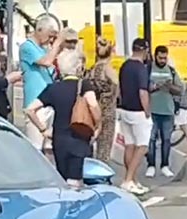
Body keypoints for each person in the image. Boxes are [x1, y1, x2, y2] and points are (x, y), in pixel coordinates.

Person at [24, 49, 99, 187]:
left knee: (63, 179)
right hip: (79, 137)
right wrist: (97, 126)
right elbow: (93, 106)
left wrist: (43, 130)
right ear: (78, 67)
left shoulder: (53, 88)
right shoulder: (84, 86)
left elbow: (30, 110)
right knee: (76, 180)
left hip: (59, 140)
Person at [19, 15, 62, 157]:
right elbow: (46, 62)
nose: (50, 40)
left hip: (48, 101)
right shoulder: (27, 47)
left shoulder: (43, 48)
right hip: (35, 102)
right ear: (40, 30)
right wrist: (57, 45)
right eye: (49, 36)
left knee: (49, 147)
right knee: (35, 147)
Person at [117, 38, 152, 194]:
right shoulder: (141, 69)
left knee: (129, 145)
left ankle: (132, 180)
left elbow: (119, 88)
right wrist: (147, 110)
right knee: (142, 146)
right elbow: (143, 92)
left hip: (124, 109)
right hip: (138, 111)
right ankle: (128, 179)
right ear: (145, 50)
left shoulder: (124, 66)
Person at [145, 45, 182, 179]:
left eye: (165, 58)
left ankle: (165, 165)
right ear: (155, 56)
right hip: (152, 110)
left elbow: (180, 89)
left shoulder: (171, 71)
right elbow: (143, 88)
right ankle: (151, 165)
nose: (162, 60)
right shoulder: (148, 69)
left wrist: (169, 86)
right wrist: (155, 87)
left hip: (167, 110)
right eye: (160, 58)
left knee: (166, 139)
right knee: (151, 139)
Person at [84, 36, 118, 163]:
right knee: (104, 148)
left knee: (91, 145)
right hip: (107, 112)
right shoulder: (108, 70)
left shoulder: (91, 70)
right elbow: (117, 88)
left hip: (92, 111)